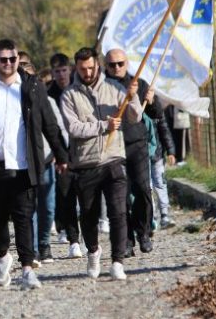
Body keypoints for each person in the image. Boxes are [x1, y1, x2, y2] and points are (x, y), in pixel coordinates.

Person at [0, 39, 68, 289]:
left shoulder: (32, 86)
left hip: (23, 164)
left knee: (23, 217)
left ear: (18, 59)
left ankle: (28, 268)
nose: (8, 64)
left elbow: (49, 123)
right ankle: (2, 256)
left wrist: (62, 156)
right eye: (3, 59)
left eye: (12, 59)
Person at [59, 47, 141, 280]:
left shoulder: (114, 88)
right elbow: (73, 128)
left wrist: (132, 95)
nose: (87, 72)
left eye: (91, 67)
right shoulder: (69, 95)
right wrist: (103, 126)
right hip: (86, 163)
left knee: (118, 212)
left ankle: (117, 261)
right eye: (83, 69)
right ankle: (93, 251)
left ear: (98, 65)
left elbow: (135, 117)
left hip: (114, 159)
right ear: (77, 68)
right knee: (88, 214)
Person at [104, 48, 159, 256]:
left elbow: (157, 114)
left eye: (120, 64)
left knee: (143, 190)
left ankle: (143, 232)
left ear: (127, 64)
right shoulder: (102, 87)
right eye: (112, 64)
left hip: (137, 144)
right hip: (114, 146)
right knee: (122, 197)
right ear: (105, 66)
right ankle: (127, 240)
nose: (116, 68)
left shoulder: (139, 83)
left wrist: (151, 100)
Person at [20, 60, 65, 266]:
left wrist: (60, 153)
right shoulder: (14, 105)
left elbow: (58, 128)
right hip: (23, 164)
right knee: (29, 207)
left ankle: (45, 242)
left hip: (46, 160)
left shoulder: (48, 101)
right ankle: (34, 248)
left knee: (47, 206)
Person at [49, 52, 79, 248]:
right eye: (57, 71)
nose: (61, 75)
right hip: (61, 150)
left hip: (81, 146)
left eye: (64, 70)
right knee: (64, 193)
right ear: (52, 73)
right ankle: (69, 233)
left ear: (70, 70)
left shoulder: (78, 90)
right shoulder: (48, 95)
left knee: (83, 194)